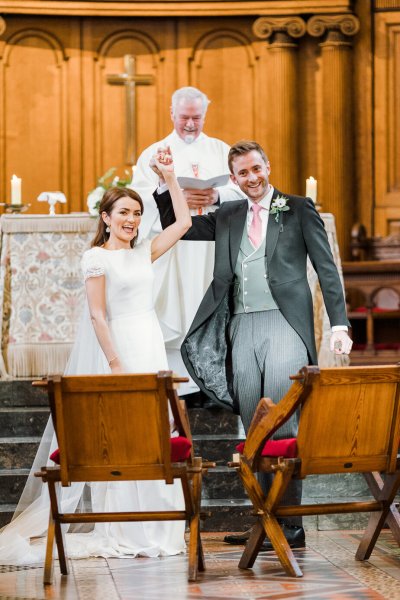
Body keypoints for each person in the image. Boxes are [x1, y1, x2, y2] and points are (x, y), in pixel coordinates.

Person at [154, 140, 353, 550]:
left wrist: (339, 323)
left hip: (285, 325)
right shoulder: (228, 214)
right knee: (253, 425)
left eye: (256, 169)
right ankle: (263, 519)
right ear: (234, 179)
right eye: (243, 173)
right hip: (241, 328)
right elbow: (180, 224)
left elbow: (326, 268)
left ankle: (290, 525)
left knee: (282, 423)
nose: (252, 178)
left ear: (267, 166)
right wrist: (166, 182)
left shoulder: (298, 209)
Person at [0, 149, 192, 564]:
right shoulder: (96, 257)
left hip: (150, 343)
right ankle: (123, 527)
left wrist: (172, 178)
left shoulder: (144, 252)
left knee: (154, 432)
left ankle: (160, 526)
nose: (132, 220)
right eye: (124, 211)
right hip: (121, 348)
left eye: (137, 213)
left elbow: (184, 223)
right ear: (105, 217)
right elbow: (97, 315)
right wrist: (116, 363)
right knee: (122, 434)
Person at [131, 86, 244, 398]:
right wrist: (171, 191)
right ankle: (177, 383)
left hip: (211, 246)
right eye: (184, 118)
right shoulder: (154, 154)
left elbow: (244, 190)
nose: (191, 124)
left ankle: (212, 385)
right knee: (174, 311)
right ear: (172, 114)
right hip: (174, 249)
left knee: (211, 311)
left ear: (205, 115)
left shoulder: (222, 151)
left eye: (197, 117)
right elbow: (137, 199)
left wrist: (216, 195)